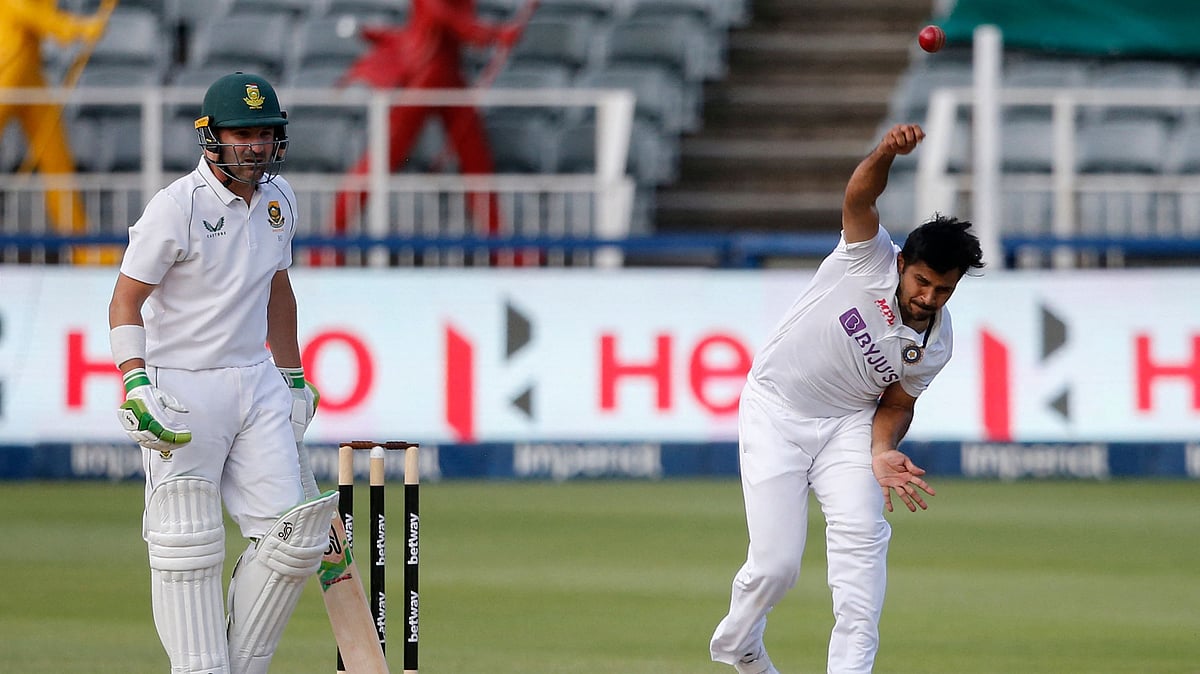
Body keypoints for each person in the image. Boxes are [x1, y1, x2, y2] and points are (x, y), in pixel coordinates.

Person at [709, 123, 985, 674]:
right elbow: (859, 196)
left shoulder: (937, 339)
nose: (928, 298)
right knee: (775, 568)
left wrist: (882, 450)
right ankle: (738, 645)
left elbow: (896, 403)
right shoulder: (867, 258)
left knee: (862, 552)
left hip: (848, 426)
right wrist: (885, 152)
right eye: (923, 282)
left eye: (943, 290)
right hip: (776, 409)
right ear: (903, 262)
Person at [107, 72, 333, 674]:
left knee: (298, 538)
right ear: (211, 137)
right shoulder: (176, 206)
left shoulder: (281, 198)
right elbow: (125, 300)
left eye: (265, 134)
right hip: (183, 383)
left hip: (256, 379)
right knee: (187, 542)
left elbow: (277, 290)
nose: (256, 146)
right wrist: (135, 381)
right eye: (243, 133)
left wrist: (292, 374)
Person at [329, 0, 526, 244]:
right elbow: (451, 21)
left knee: (477, 165)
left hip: (445, 74)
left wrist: (494, 35)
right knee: (382, 158)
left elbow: (457, 25)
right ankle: (330, 243)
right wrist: (497, 34)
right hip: (428, 73)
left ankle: (503, 250)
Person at [0, 0, 105, 249]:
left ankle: (80, 246)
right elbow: (34, 16)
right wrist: (79, 28)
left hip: (29, 75)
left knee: (58, 163)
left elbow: (45, 12)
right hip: (5, 72)